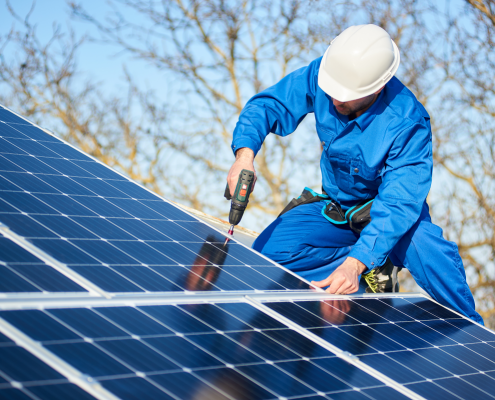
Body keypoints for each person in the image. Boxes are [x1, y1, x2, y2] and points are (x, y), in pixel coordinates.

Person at [227, 24, 483, 325]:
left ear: (375, 88)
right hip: (337, 210)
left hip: (385, 215)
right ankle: (372, 267)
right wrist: (245, 156)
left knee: (429, 251)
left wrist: (357, 262)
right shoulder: (325, 74)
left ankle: (473, 331)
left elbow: (399, 203)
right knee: (267, 253)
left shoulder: (407, 122)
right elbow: (270, 105)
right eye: (331, 93)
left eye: (345, 97)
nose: (334, 102)